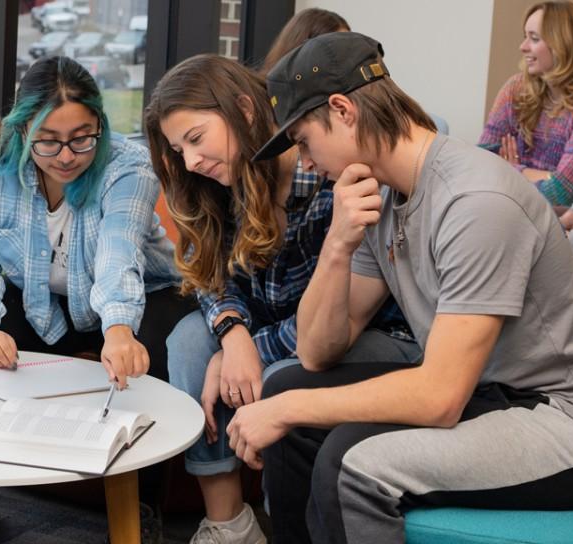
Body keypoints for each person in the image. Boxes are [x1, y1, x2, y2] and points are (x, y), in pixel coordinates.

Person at [237, 31, 573, 543]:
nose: (305, 161)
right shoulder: (378, 191)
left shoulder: (475, 201)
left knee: (349, 463)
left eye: (304, 140)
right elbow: (316, 352)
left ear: (342, 110)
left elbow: (440, 396)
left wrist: (283, 413)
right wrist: (337, 244)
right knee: (286, 385)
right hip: (483, 392)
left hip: (555, 415)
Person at [143, 52, 419, 544]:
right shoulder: (218, 181)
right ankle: (229, 524)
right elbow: (210, 278)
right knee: (189, 341)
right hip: (272, 327)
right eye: (177, 148)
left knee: (277, 379)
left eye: (196, 139)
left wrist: (252, 348)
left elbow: (326, 323)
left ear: (245, 110)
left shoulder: (328, 180)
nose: (190, 160)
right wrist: (232, 335)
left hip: (357, 334)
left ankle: (286, 517)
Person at [0, 55, 191, 539]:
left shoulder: (129, 168)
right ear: (24, 128)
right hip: (41, 302)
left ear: (100, 125)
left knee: (153, 347)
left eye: (82, 138)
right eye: (48, 141)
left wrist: (118, 331)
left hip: (138, 297)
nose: (67, 155)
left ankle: (142, 507)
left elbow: (119, 255)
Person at [479, 1, 573, 207]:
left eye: (534, 38)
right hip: (507, 210)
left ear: (564, 45)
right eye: (525, 36)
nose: (523, 46)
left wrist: (512, 169)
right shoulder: (516, 88)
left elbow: (559, 194)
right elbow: (482, 162)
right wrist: (542, 175)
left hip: (557, 229)